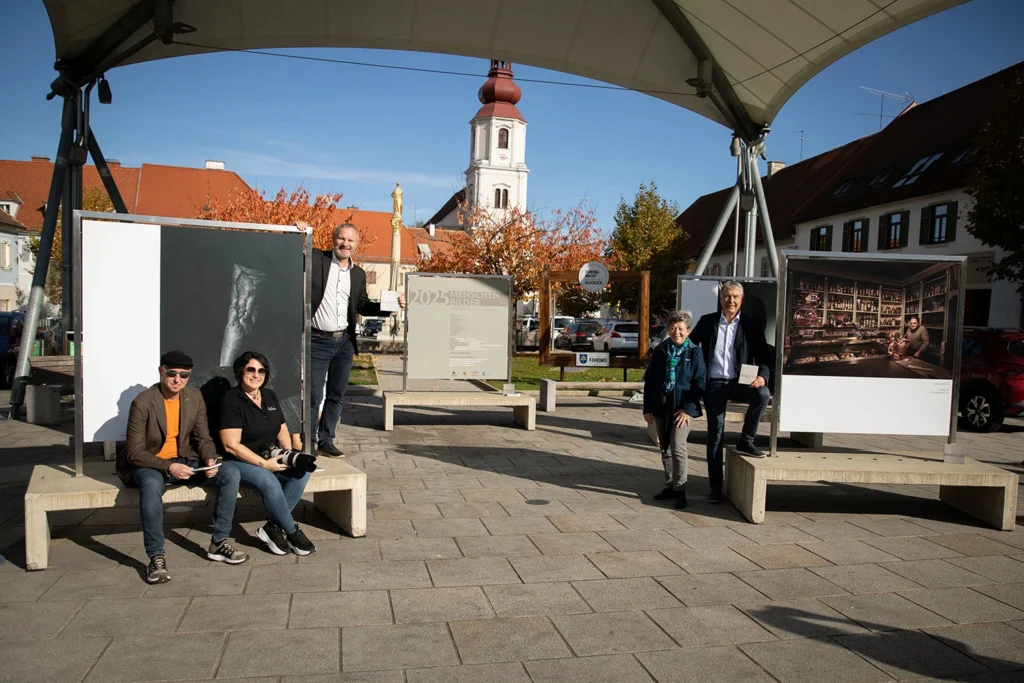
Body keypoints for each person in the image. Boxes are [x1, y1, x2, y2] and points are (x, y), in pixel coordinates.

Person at [118, 350, 248, 585]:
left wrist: (210, 459)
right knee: (151, 485)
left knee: (230, 473)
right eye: (172, 373)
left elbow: (202, 438)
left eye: (184, 375)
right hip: (151, 463)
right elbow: (134, 453)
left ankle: (219, 541)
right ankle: (156, 556)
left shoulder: (194, 397)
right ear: (161, 371)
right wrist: (170, 467)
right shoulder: (143, 401)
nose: (177, 379)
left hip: (185, 459)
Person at [310, 223, 404, 457]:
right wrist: (299, 229)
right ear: (333, 239)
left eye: (350, 240)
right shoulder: (316, 259)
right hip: (317, 340)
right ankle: (308, 442)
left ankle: (326, 439)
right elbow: (295, 248)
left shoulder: (358, 274)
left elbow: (362, 305)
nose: (345, 244)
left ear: (356, 244)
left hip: (344, 343)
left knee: (336, 395)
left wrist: (390, 306)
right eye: (341, 239)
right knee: (313, 395)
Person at [219, 351, 317, 556]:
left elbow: (282, 429)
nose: (256, 375)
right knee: (268, 479)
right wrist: (264, 465)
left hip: (268, 455)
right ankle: (292, 531)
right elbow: (231, 445)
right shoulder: (231, 400)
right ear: (240, 372)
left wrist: (289, 456)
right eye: (251, 370)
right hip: (238, 461)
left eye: (261, 371)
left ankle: (272, 526)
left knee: (302, 472)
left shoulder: (269, 395)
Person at [689, 281, 772, 503]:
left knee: (763, 394)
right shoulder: (708, 322)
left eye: (735, 297)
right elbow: (690, 346)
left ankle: (746, 440)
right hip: (714, 384)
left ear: (741, 300)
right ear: (721, 298)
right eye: (727, 296)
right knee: (715, 434)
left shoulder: (750, 325)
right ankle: (715, 487)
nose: (731, 300)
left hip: (740, 383)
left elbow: (764, 357)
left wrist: (763, 377)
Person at [643, 310, 706, 509]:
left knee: (677, 446)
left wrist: (687, 409)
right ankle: (670, 485)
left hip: (683, 407)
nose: (676, 332)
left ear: (688, 330)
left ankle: (681, 489)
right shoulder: (661, 350)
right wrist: (647, 408)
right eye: (672, 327)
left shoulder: (694, 352)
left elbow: (700, 383)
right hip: (662, 405)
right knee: (665, 448)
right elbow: (650, 381)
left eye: (680, 328)